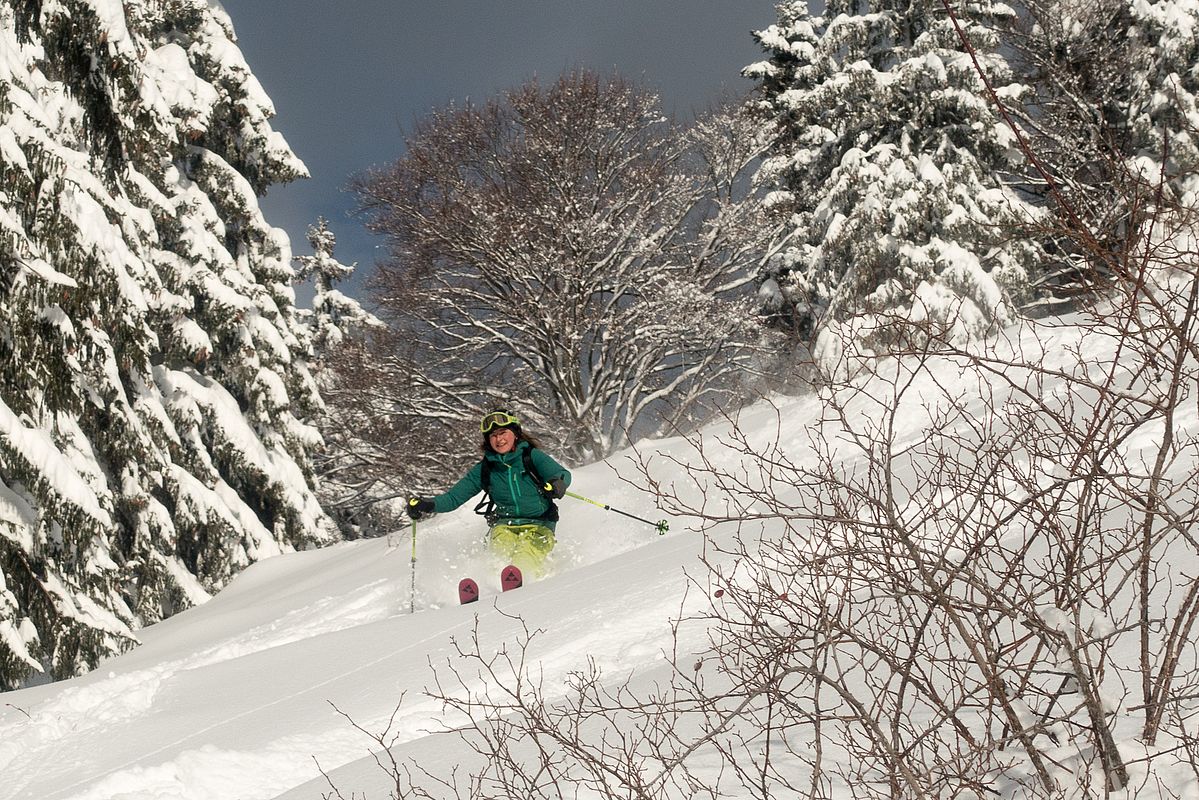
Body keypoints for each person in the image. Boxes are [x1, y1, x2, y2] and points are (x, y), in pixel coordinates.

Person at [406, 409, 571, 578]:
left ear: (515, 433)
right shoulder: (485, 469)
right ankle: (490, 591)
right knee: (497, 560)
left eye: (503, 432)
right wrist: (427, 504)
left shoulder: (531, 457)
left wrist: (556, 484)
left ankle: (524, 586)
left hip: (540, 525)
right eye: (493, 435)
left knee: (524, 558)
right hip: (504, 526)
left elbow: (561, 474)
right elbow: (453, 498)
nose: (499, 439)